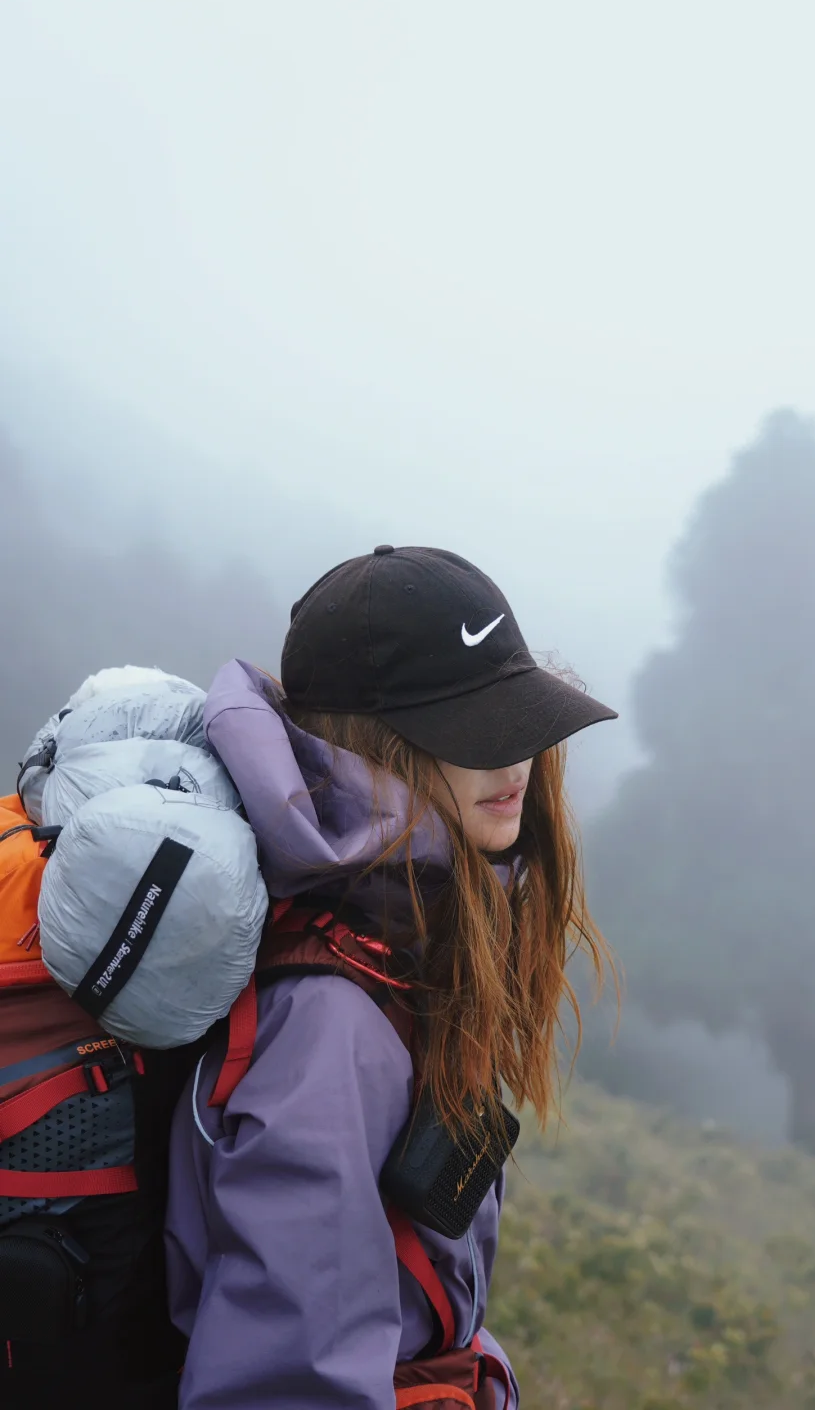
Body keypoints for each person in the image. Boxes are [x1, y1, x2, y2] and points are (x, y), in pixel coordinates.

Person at [164, 545, 617, 1409]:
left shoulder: (400, 954)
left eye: (516, 720)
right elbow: (288, 1384)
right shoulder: (332, 1023)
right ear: (367, 748)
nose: (516, 761)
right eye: (472, 727)